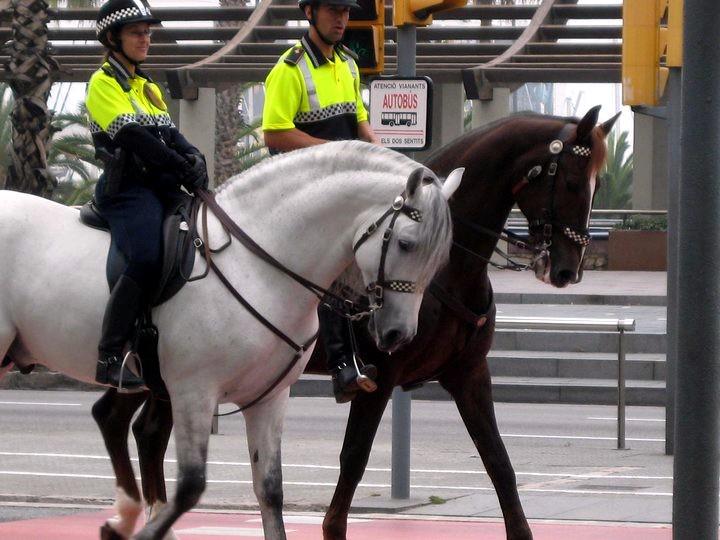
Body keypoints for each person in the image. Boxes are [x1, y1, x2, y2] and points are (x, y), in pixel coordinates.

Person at [262, 0, 380, 402]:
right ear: (309, 12)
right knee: (328, 265)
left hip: (345, 188)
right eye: (333, 10)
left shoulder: (348, 64)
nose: (342, 19)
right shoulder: (289, 68)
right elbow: (274, 135)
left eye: (346, 12)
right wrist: (331, 152)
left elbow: (360, 120)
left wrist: (376, 148)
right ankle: (341, 363)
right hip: (301, 192)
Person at [86, 0, 208, 389]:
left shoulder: (146, 85)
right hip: (126, 192)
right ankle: (109, 355)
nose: (146, 39)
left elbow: (170, 135)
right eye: (137, 32)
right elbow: (133, 138)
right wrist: (177, 163)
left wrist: (194, 157)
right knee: (146, 255)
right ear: (113, 38)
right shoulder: (103, 83)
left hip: (161, 187)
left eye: (148, 32)